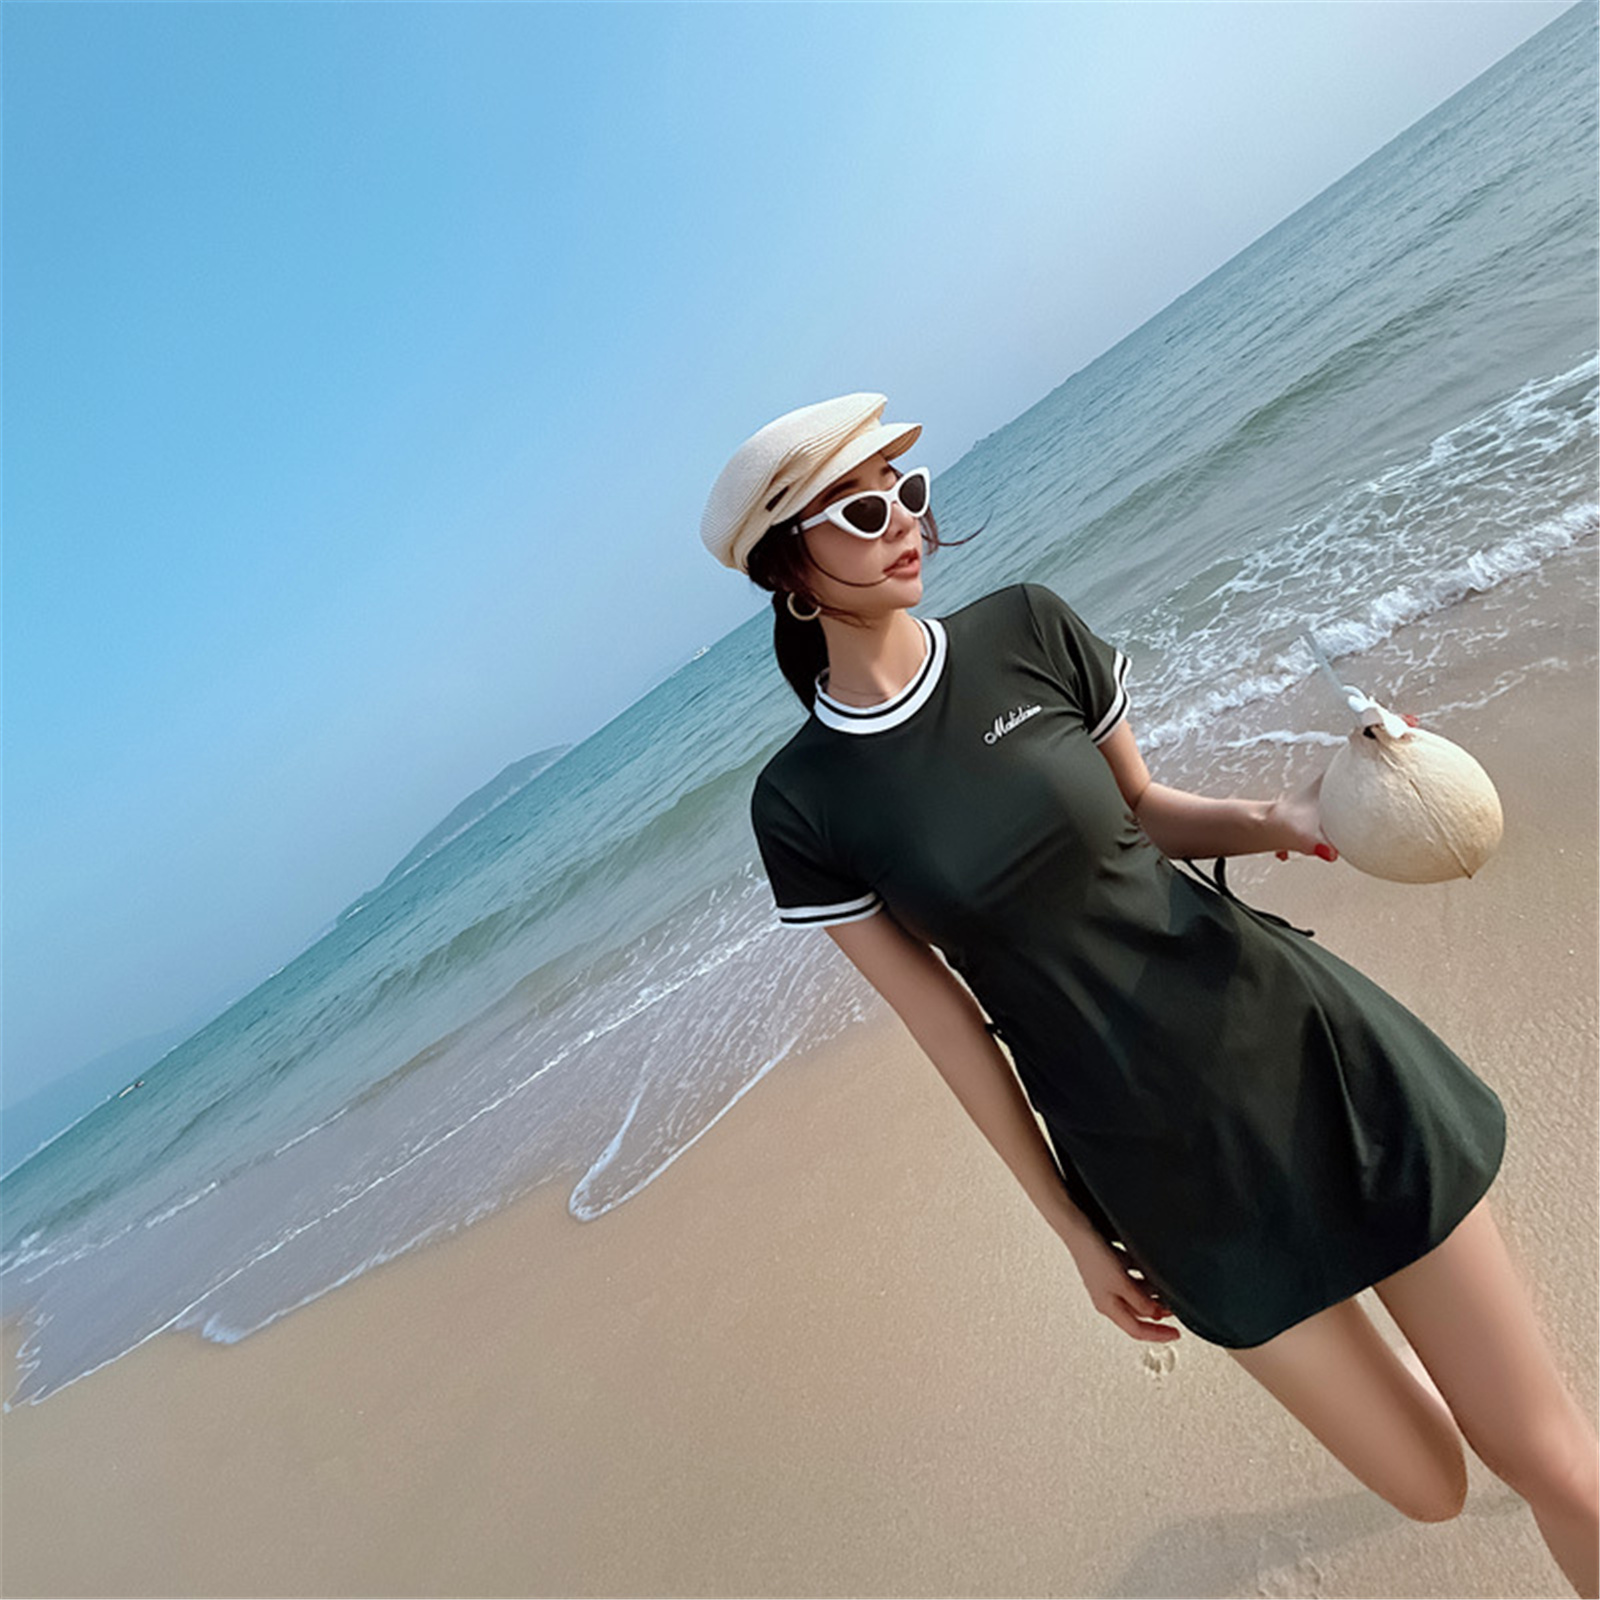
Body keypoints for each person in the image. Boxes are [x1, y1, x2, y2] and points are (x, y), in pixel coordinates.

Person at [700, 392, 1599, 1596]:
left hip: (1297, 1045)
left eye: (906, 492)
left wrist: (1284, 816)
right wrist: (1073, 1231)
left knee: (1548, 1460)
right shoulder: (804, 802)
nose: (904, 522)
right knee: (1430, 1485)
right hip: (1155, 1163)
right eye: (861, 512)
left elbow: (1143, 810)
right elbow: (945, 1024)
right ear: (787, 571)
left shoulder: (1027, 628)